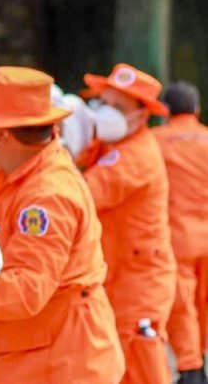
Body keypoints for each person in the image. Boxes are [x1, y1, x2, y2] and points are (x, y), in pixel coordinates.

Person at [0, 66, 124, 384]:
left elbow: (26, 289)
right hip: (21, 345)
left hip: (62, 357)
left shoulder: (49, 195)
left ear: (2, 134)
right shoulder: (5, 171)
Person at [81, 63, 177, 384]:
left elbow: (87, 193)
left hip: (138, 282)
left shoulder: (135, 155)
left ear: (141, 115)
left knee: (139, 362)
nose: (107, 113)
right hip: (118, 274)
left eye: (119, 108)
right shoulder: (110, 146)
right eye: (104, 103)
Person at [153, 81, 208, 384]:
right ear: (196, 109)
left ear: (165, 111)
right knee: (203, 303)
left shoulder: (155, 142)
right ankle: (201, 358)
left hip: (178, 238)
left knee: (182, 304)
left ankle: (190, 368)